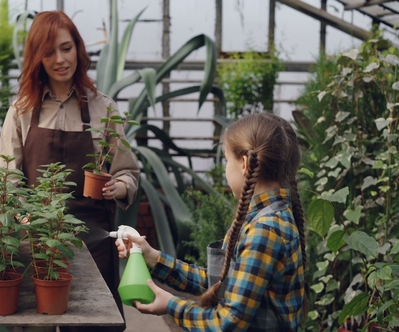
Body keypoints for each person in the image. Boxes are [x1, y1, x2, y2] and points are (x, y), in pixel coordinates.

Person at [0, 10, 139, 332]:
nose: (60, 59)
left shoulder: (104, 108)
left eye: (66, 48)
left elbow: (128, 171)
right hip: (37, 242)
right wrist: (23, 216)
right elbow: (6, 180)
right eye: (49, 52)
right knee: (37, 323)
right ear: (38, 58)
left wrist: (119, 187)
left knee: (93, 325)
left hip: (94, 241)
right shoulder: (21, 111)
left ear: (78, 48)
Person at [116, 112, 307, 331]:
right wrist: (152, 257)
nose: (226, 169)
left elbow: (226, 323)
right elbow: (222, 284)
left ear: (244, 163)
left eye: (227, 160)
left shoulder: (264, 230)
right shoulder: (264, 218)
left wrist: (171, 305)